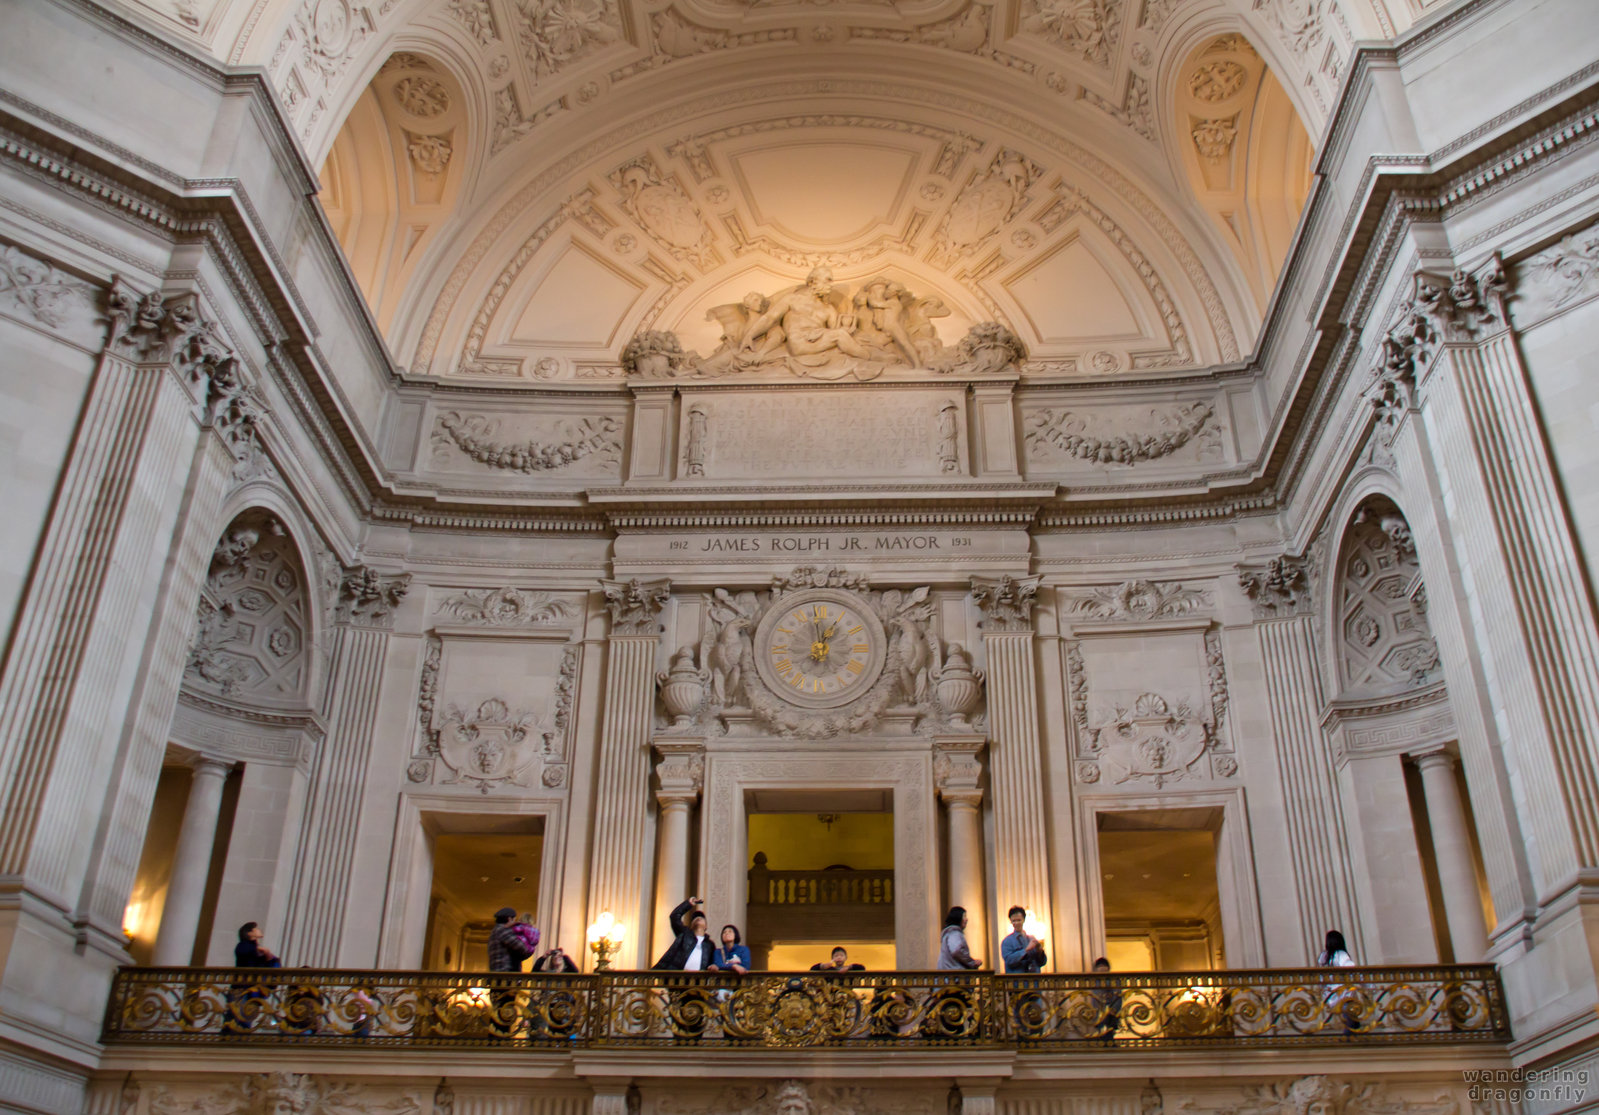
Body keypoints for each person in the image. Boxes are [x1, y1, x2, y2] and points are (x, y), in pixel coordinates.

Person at [653, 897, 715, 1040]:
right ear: (691, 924)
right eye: (695, 918)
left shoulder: (709, 945)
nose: (698, 919)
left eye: (701, 918)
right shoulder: (685, 934)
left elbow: (712, 962)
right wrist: (688, 904)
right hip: (679, 981)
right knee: (678, 1012)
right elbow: (674, 917)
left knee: (697, 1013)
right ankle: (679, 1041)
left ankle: (695, 1043)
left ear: (706, 926)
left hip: (698, 984)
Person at [486, 907, 535, 1037]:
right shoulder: (503, 932)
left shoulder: (494, 932)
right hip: (505, 978)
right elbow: (522, 948)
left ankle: (497, 1039)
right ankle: (498, 1040)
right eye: (513, 919)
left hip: (497, 978)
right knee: (504, 1010)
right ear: (509, 919)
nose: (514, 922)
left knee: (499, 1010)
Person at [225, 922, 280, 1034]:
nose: (259, 930)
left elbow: (273, 965)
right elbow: (245, 953)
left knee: (247, 1017)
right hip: (242, 988)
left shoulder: (257, 949)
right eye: (256, 929)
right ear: (249, 933)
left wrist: (267, 955)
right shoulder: (244, 945)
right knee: (238, 1017)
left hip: (253, 990)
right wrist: (260, 951)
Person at [1317, 929, 1363, 1033]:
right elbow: (1351, 968)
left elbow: (1320, 978)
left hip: (1331, 994)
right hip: (1344, 993)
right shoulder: (1340, 954)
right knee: (1350, 1019)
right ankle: (1349, 1039)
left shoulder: (1323, 957)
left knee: (1351, 1019)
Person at [1000, 906, 1047, 973]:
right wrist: (1026, 950)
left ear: (1024, 920)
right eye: (1014, 921)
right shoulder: (1007, 941)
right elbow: (1009, 961)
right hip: (1017, 980)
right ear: (1010, 921)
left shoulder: (1032, 938)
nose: (1016, 923)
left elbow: (1042, 963)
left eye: (1019, 920)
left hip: (1034, 979)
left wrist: (1040, 951)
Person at [1089, 957, 1121, 1042]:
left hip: (1109, 1012)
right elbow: (1094, 998)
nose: (1101, 968)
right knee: (1101, 1032)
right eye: (1100, 966)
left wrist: (1113, 1010)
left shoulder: (1113, 980)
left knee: (1108, 1033)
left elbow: (1117, 996)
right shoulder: (1095, 982)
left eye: (1103, 966)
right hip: (1099, 1011)